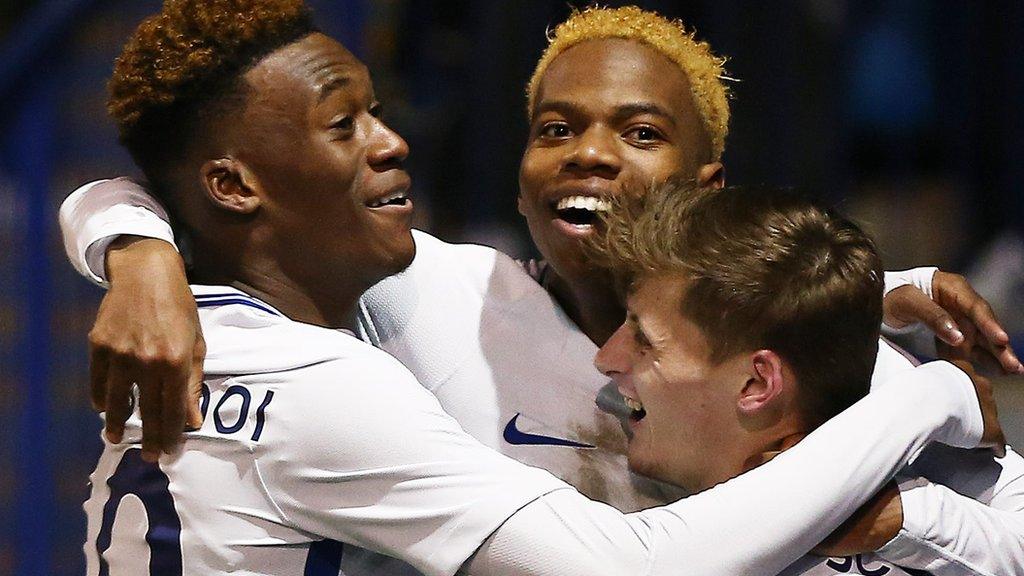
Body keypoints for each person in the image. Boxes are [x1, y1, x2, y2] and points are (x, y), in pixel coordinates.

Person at [61, 4, 1017, 574]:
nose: (589, 155)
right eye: (555, 129)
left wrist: (912, 514)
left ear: (705, 186)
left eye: (639, 134)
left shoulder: (841, 353)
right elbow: (187, 182)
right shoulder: (424, 295)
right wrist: (136, 247)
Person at [593, 181, 1024, 574]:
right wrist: (938, 392)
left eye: (644, 341)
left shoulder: (880, 387)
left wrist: (911, 518)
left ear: (756, 385)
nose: (604, 360)